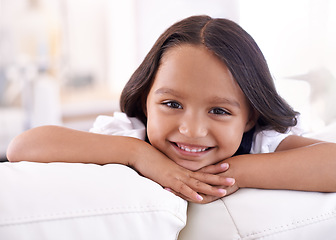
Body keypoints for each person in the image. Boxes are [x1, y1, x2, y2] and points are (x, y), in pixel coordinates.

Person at [7, 15, 336, 203]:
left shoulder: (260, 143)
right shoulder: (131, 136)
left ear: (250, 117)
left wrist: (237, 172)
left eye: (219, 111)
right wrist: (138, 155)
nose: (191, 130)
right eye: (171, 104)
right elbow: (23, 146)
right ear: (146, 101)